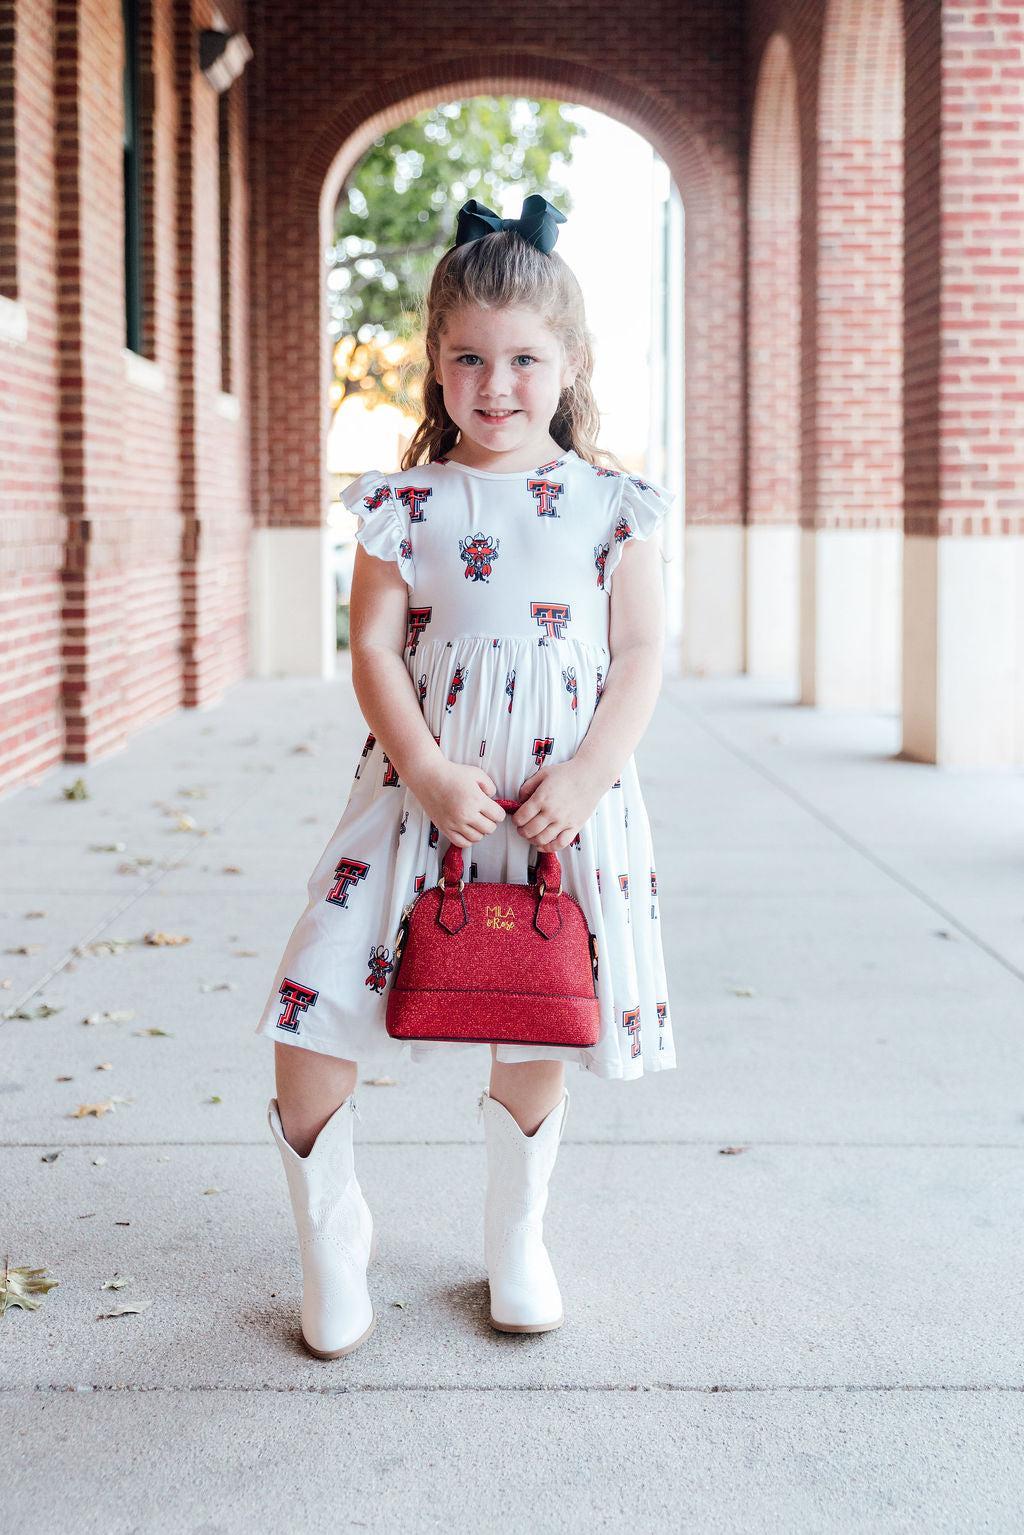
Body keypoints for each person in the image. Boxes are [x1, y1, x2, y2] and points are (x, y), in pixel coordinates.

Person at [255, 193, 677, 1359]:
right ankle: (332, 1233)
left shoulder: (610, 505)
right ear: (434, 365)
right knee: (315, 992)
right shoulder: (404, 507)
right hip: (416, 794)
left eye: (525, 359)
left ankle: (516, 1234)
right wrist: (427, 766)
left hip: (554, 808)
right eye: (469, 359)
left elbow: (640, 653)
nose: (497, 384)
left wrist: (590, 773)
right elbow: (374, 648)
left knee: (535, 1009)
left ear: (572, 363)